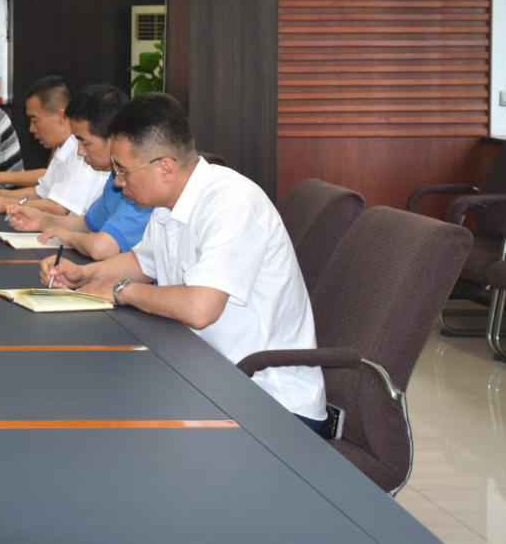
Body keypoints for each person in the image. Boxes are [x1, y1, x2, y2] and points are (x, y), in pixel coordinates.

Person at [40, 94, 327, 429]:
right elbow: (143, 262)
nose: (117, 181)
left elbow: (199, 308)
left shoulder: (232, 203)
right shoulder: (167, 201)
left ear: (165, 167)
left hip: (269, 399)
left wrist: (120, 290)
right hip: (204, 371)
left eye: (123, 170)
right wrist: (84, 274)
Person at [5, 85, 150, 260]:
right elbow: (88, 224)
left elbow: (101, 248)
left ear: (114, 138)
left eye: (85, 142)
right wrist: (43, 220)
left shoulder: (139, 183)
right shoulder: (115, 176)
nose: (80, 152)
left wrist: (68, 237)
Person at [0, 76, 108, 216]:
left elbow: (58, 208)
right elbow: (40, 193)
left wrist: (5, 204)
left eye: (35, 120)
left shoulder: (82, 151)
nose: (31, 129)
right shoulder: (63, 149)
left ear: (62, 116)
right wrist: (1, 194)